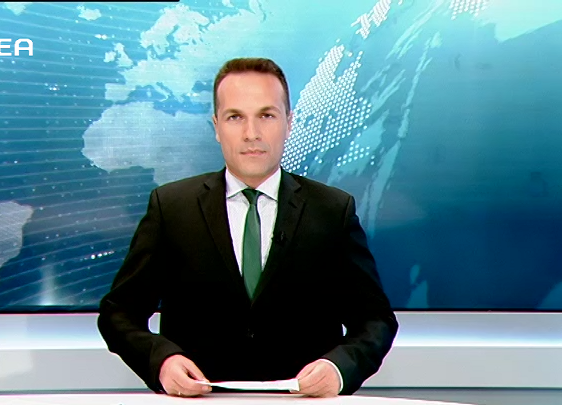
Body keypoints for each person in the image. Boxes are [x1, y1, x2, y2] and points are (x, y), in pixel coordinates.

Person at [97, 57, 398, 398]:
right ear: (216, 126)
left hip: (301, 402)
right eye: (235, 117)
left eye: (266, 116)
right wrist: (162, 361)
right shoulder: (172, 208)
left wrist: (339, 368)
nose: (251, 133)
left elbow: (375, 320)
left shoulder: (332, 211)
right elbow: (118, 314)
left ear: (289, 123)